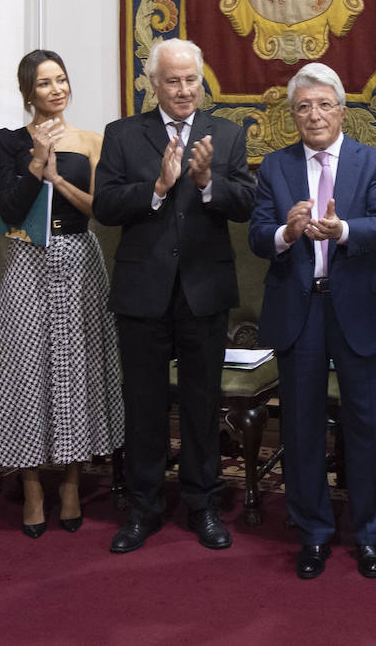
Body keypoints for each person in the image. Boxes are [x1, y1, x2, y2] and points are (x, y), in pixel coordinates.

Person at [92, 38, 255, 553]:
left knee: (202, 403)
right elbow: (105, 206)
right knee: (144, 403)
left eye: (191, 80)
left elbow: (246, 204)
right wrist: (158, 189)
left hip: (204, 289)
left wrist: (208, 182)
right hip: (143, 290)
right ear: (153, 84)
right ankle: (143, 508)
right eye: (173, 81)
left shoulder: (226, 135)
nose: (184, 90)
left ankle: (203, 503)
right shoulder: (122, 135)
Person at [249, 62, 376, 580]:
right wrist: (287, 234)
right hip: (299, 308)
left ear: (342, 109)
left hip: (355, 307)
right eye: (304, 107)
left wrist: (343, 230)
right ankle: (312, 532)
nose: (315, 115)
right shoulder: (274, 166)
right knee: (302, 425)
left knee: (366, 424)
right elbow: (256, 237)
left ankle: (369, 534)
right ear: (293, 115)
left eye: (324, 104)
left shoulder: (372, 162)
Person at [0, 50, 124, 538]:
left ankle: (69, 482)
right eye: (44, 83)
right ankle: (32, 487)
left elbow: (102, 210)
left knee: (74, 371)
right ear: (28, 93)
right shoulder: (5, 144)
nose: (55, 89)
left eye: (61, 80)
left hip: (79, 259)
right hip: (26, 261)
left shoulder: (91, 141)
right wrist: (37, 161)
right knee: (25, 372)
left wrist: (59, 176)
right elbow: (11, 207)